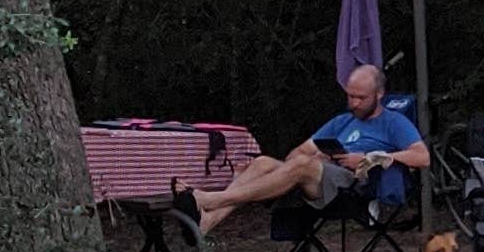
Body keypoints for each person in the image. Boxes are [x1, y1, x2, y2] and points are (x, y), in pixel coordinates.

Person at [181, 63, 428, 241]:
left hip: (355, 187)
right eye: (350, 96)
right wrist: (320, 157)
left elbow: (422, 157)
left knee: (302, 165)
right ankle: (209, 221)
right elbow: (298, 152)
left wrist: (371, 158)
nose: (353, 103)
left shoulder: (394, 122)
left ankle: (213, 200)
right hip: (317, 177)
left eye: (360, 98)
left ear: (379, 94)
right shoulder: (342, 121)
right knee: (264, 162)